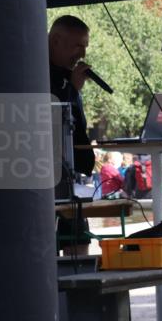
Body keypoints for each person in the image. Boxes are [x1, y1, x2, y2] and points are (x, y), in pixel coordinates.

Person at [49, 15, 95, 255]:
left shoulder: (68, 76)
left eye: (85, 46)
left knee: (79, 241)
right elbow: (50, 115)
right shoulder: (35, 71)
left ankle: (79, 288)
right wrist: (73, 90)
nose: (82, 54)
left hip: (69, 173)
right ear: (56, 41)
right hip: (45, 174)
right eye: (78, 46)